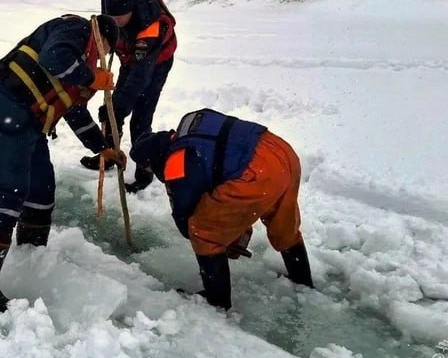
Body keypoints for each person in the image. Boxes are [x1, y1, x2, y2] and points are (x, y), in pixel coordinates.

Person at [0, 14, 126, 311]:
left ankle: (30, 256)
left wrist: (102, 148)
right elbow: (53, 58)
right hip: (9, 101)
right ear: (101, 38)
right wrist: (91, 78)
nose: (101, 59)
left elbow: (74, 112)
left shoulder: (79, 64)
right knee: (9, 190)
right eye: (105, 51)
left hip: (32, 120)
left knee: (41, 190)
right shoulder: (76, 29)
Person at [129, 109, 314, 310]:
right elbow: (221, 162)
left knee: (203, 230)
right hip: (279, 152)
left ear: (156, 159)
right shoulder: (190, 124)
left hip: (254, 174)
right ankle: (302, 281)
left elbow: (187, 219)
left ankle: (217, 300)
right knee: (283, 222)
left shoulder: (176, 162)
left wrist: (223, 238)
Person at [80, 0, 177, 193]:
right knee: (111, 108)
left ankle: (145, 167)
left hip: (156, 62)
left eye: (119, 19)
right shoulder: (110, 4)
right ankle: (109, 154)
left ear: (131, 11)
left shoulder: (150, 26)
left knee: (140, 116)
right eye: (111, 19)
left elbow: (141, 76)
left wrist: (120, 106)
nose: (114, 24)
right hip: (130, 58)